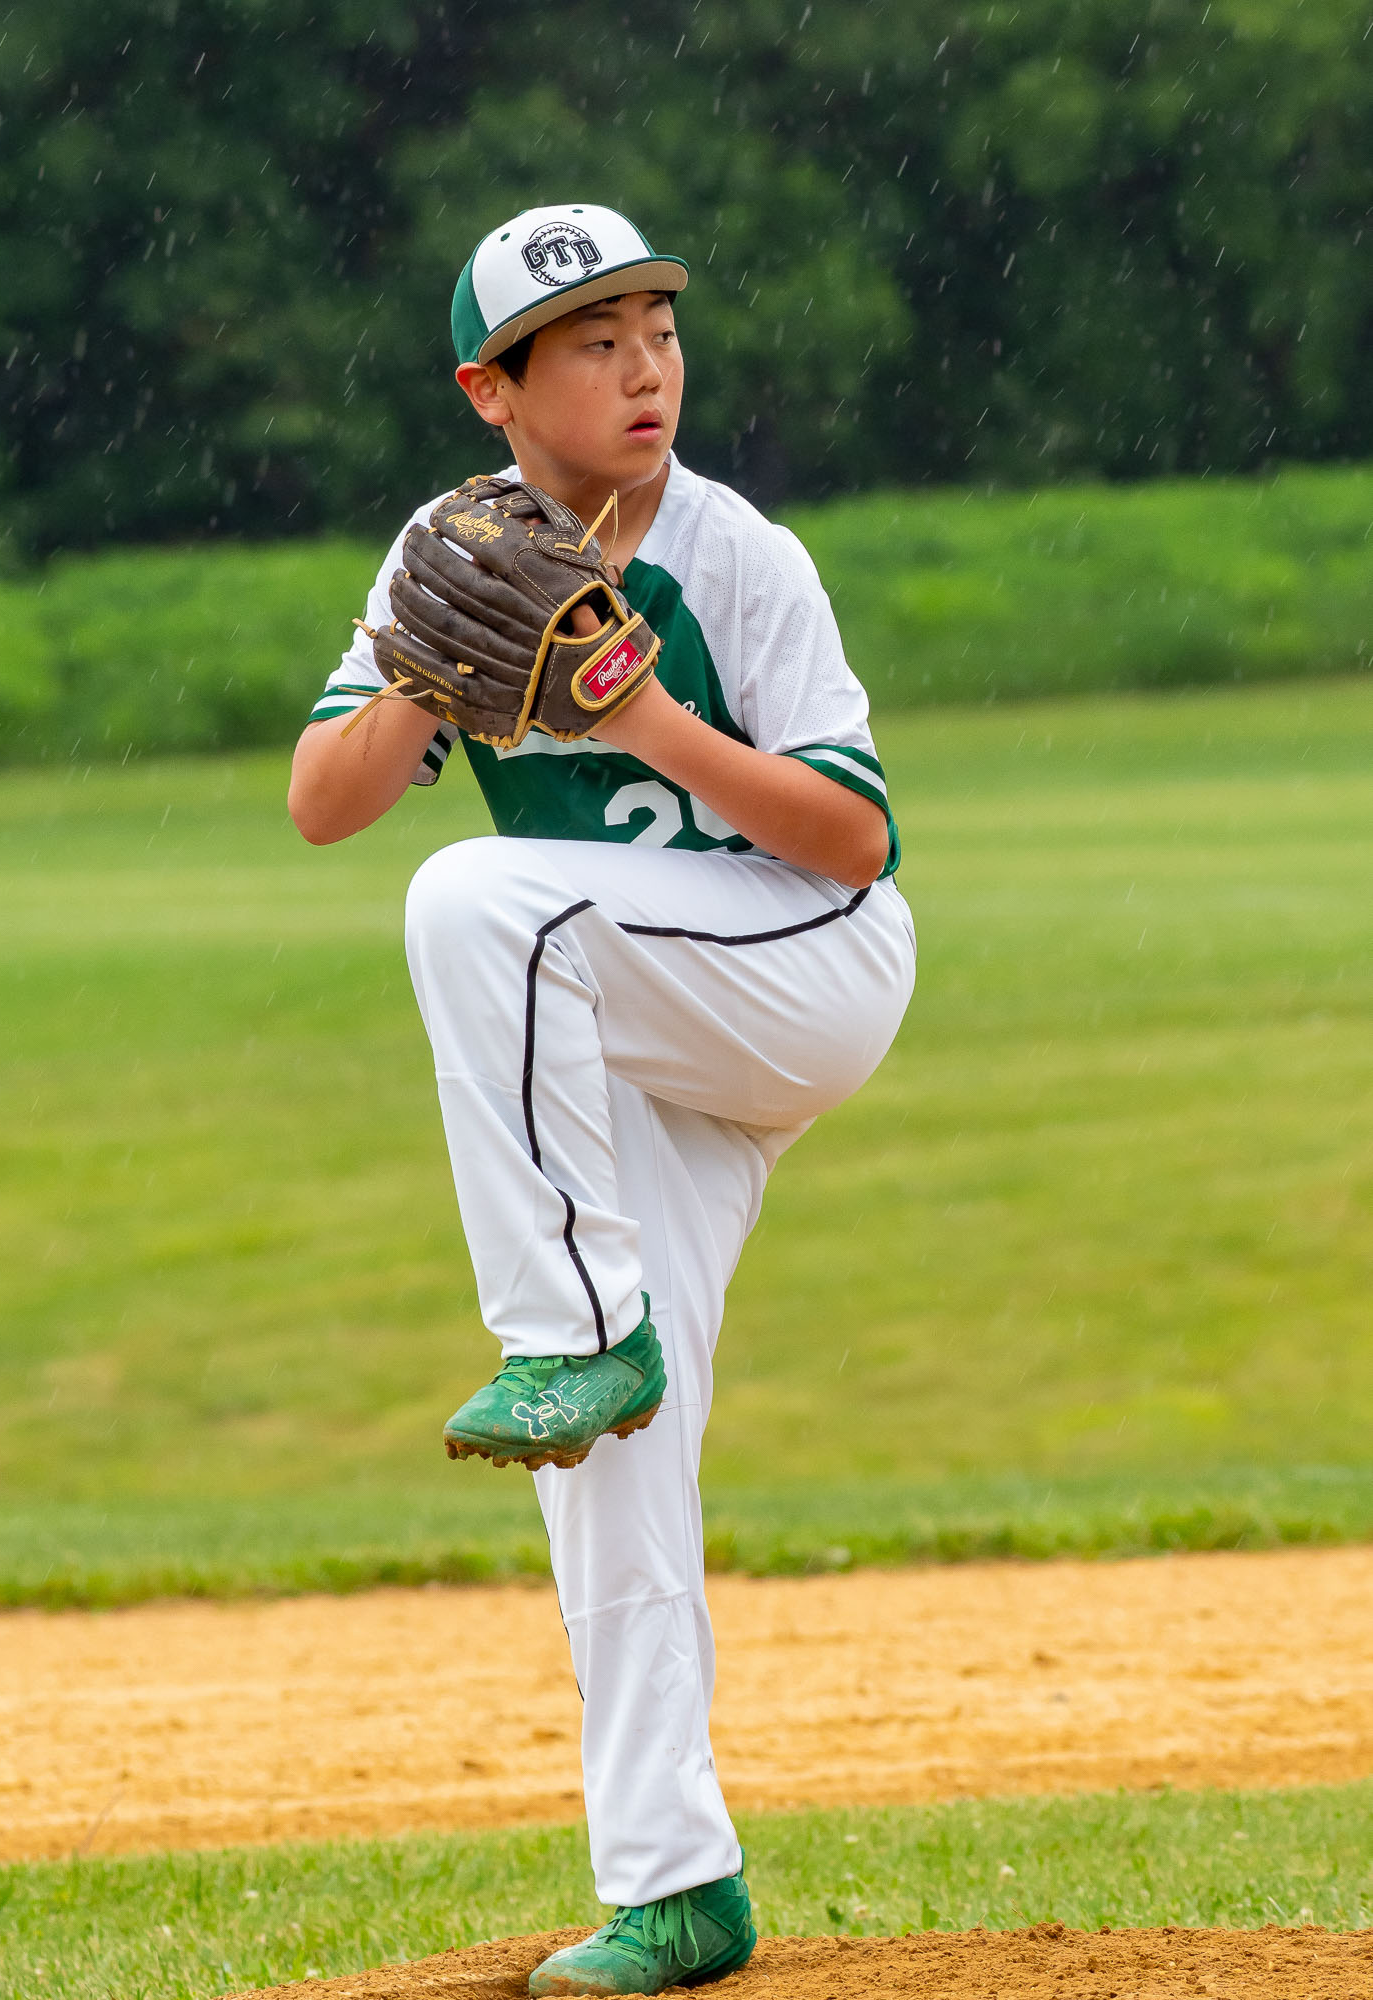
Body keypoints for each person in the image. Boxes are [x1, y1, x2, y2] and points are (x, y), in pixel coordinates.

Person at [288, 202, 916, 1998]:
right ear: (492, 389)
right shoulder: (445, 551)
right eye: (593, 340)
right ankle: (676, 1880)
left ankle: (568, 1322)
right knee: (612, 1455)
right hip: (627, 1014)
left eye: (658, 327)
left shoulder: (735, 553)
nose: (646, 366)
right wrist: (422, 673)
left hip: (804, 973)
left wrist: (637, 711)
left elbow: (856, 842)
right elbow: (328, 801)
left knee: (480, 894)